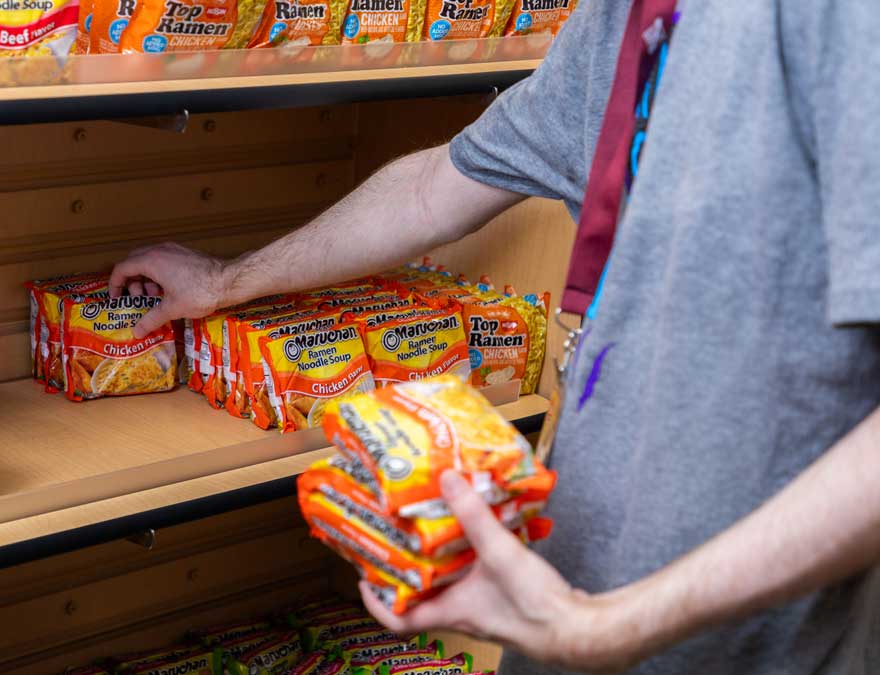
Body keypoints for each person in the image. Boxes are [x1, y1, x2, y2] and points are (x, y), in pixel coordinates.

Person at [110, 1, 880, 672]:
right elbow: (430, 191)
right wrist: (227, 280)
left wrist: (613, 626)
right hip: (566, 627)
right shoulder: (617, 22)